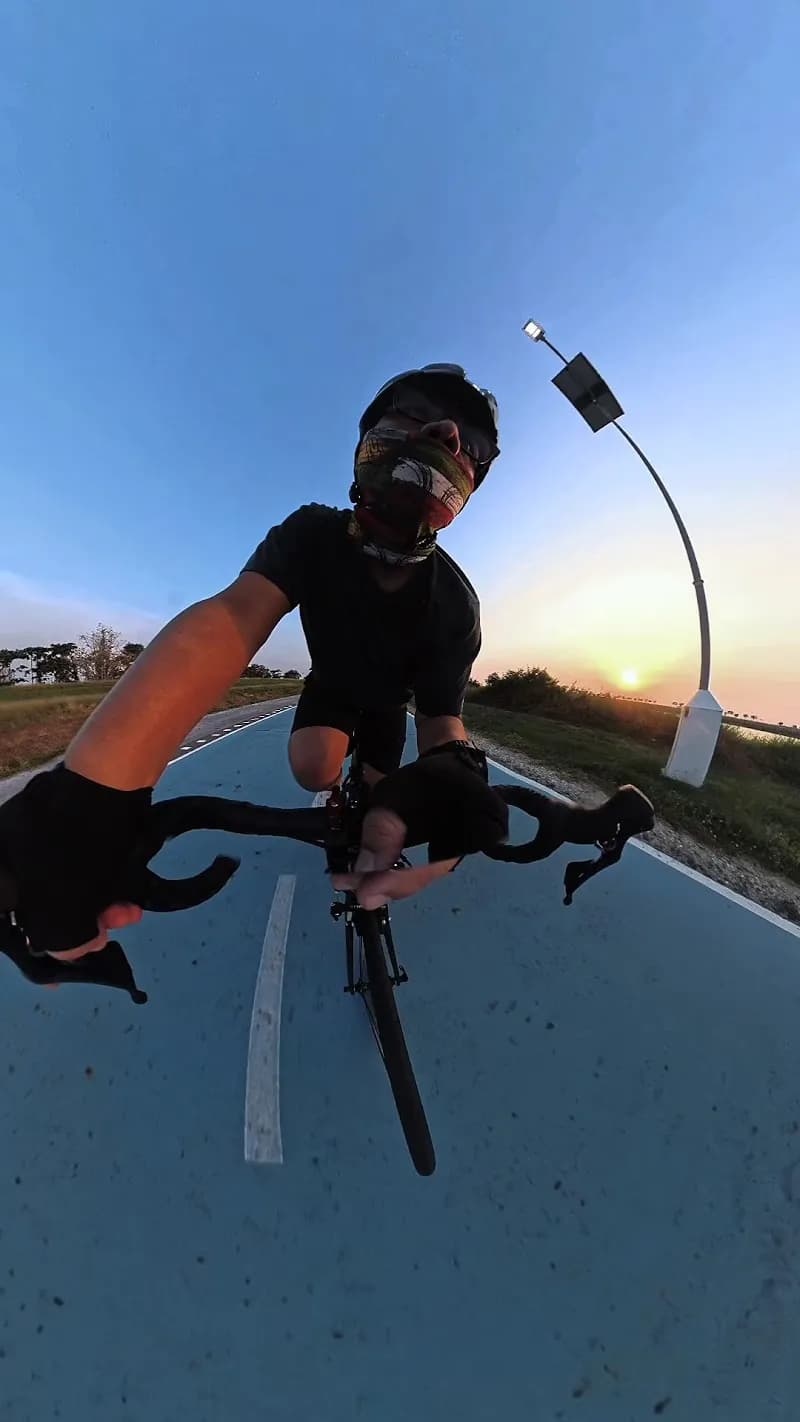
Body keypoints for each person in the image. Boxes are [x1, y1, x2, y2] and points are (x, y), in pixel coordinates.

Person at [0, 364, 509, 975]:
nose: (451, 433)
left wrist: (454, 769)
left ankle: (365, 813)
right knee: (313, 769)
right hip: (334, 685)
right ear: (366, 436)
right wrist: (83, 803)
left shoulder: (455, 602)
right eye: (418, 408)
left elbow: (440, 719)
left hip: (388, 705)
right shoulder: (312, 534)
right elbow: (232, 622)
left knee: (386, 803)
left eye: (474, 449)